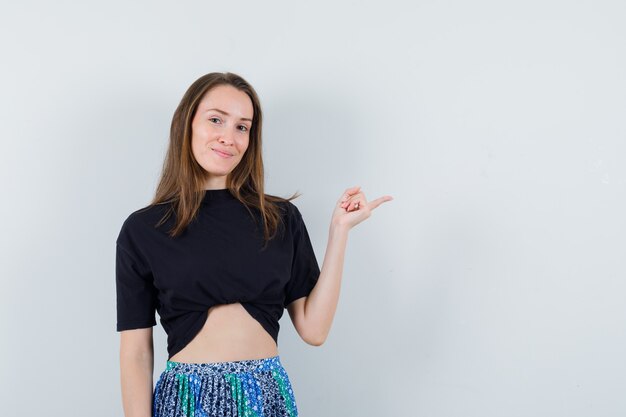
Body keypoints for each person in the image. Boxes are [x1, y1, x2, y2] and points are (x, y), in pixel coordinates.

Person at [115, 71, 393, 417]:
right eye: (216, 120)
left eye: (242, 127)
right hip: (186, 400)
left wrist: (340, 233)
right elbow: (137, 352)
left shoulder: (279, 217)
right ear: (187, 123)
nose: (228, 137)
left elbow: (314, 329)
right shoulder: (144, 229)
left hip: (265, 396)